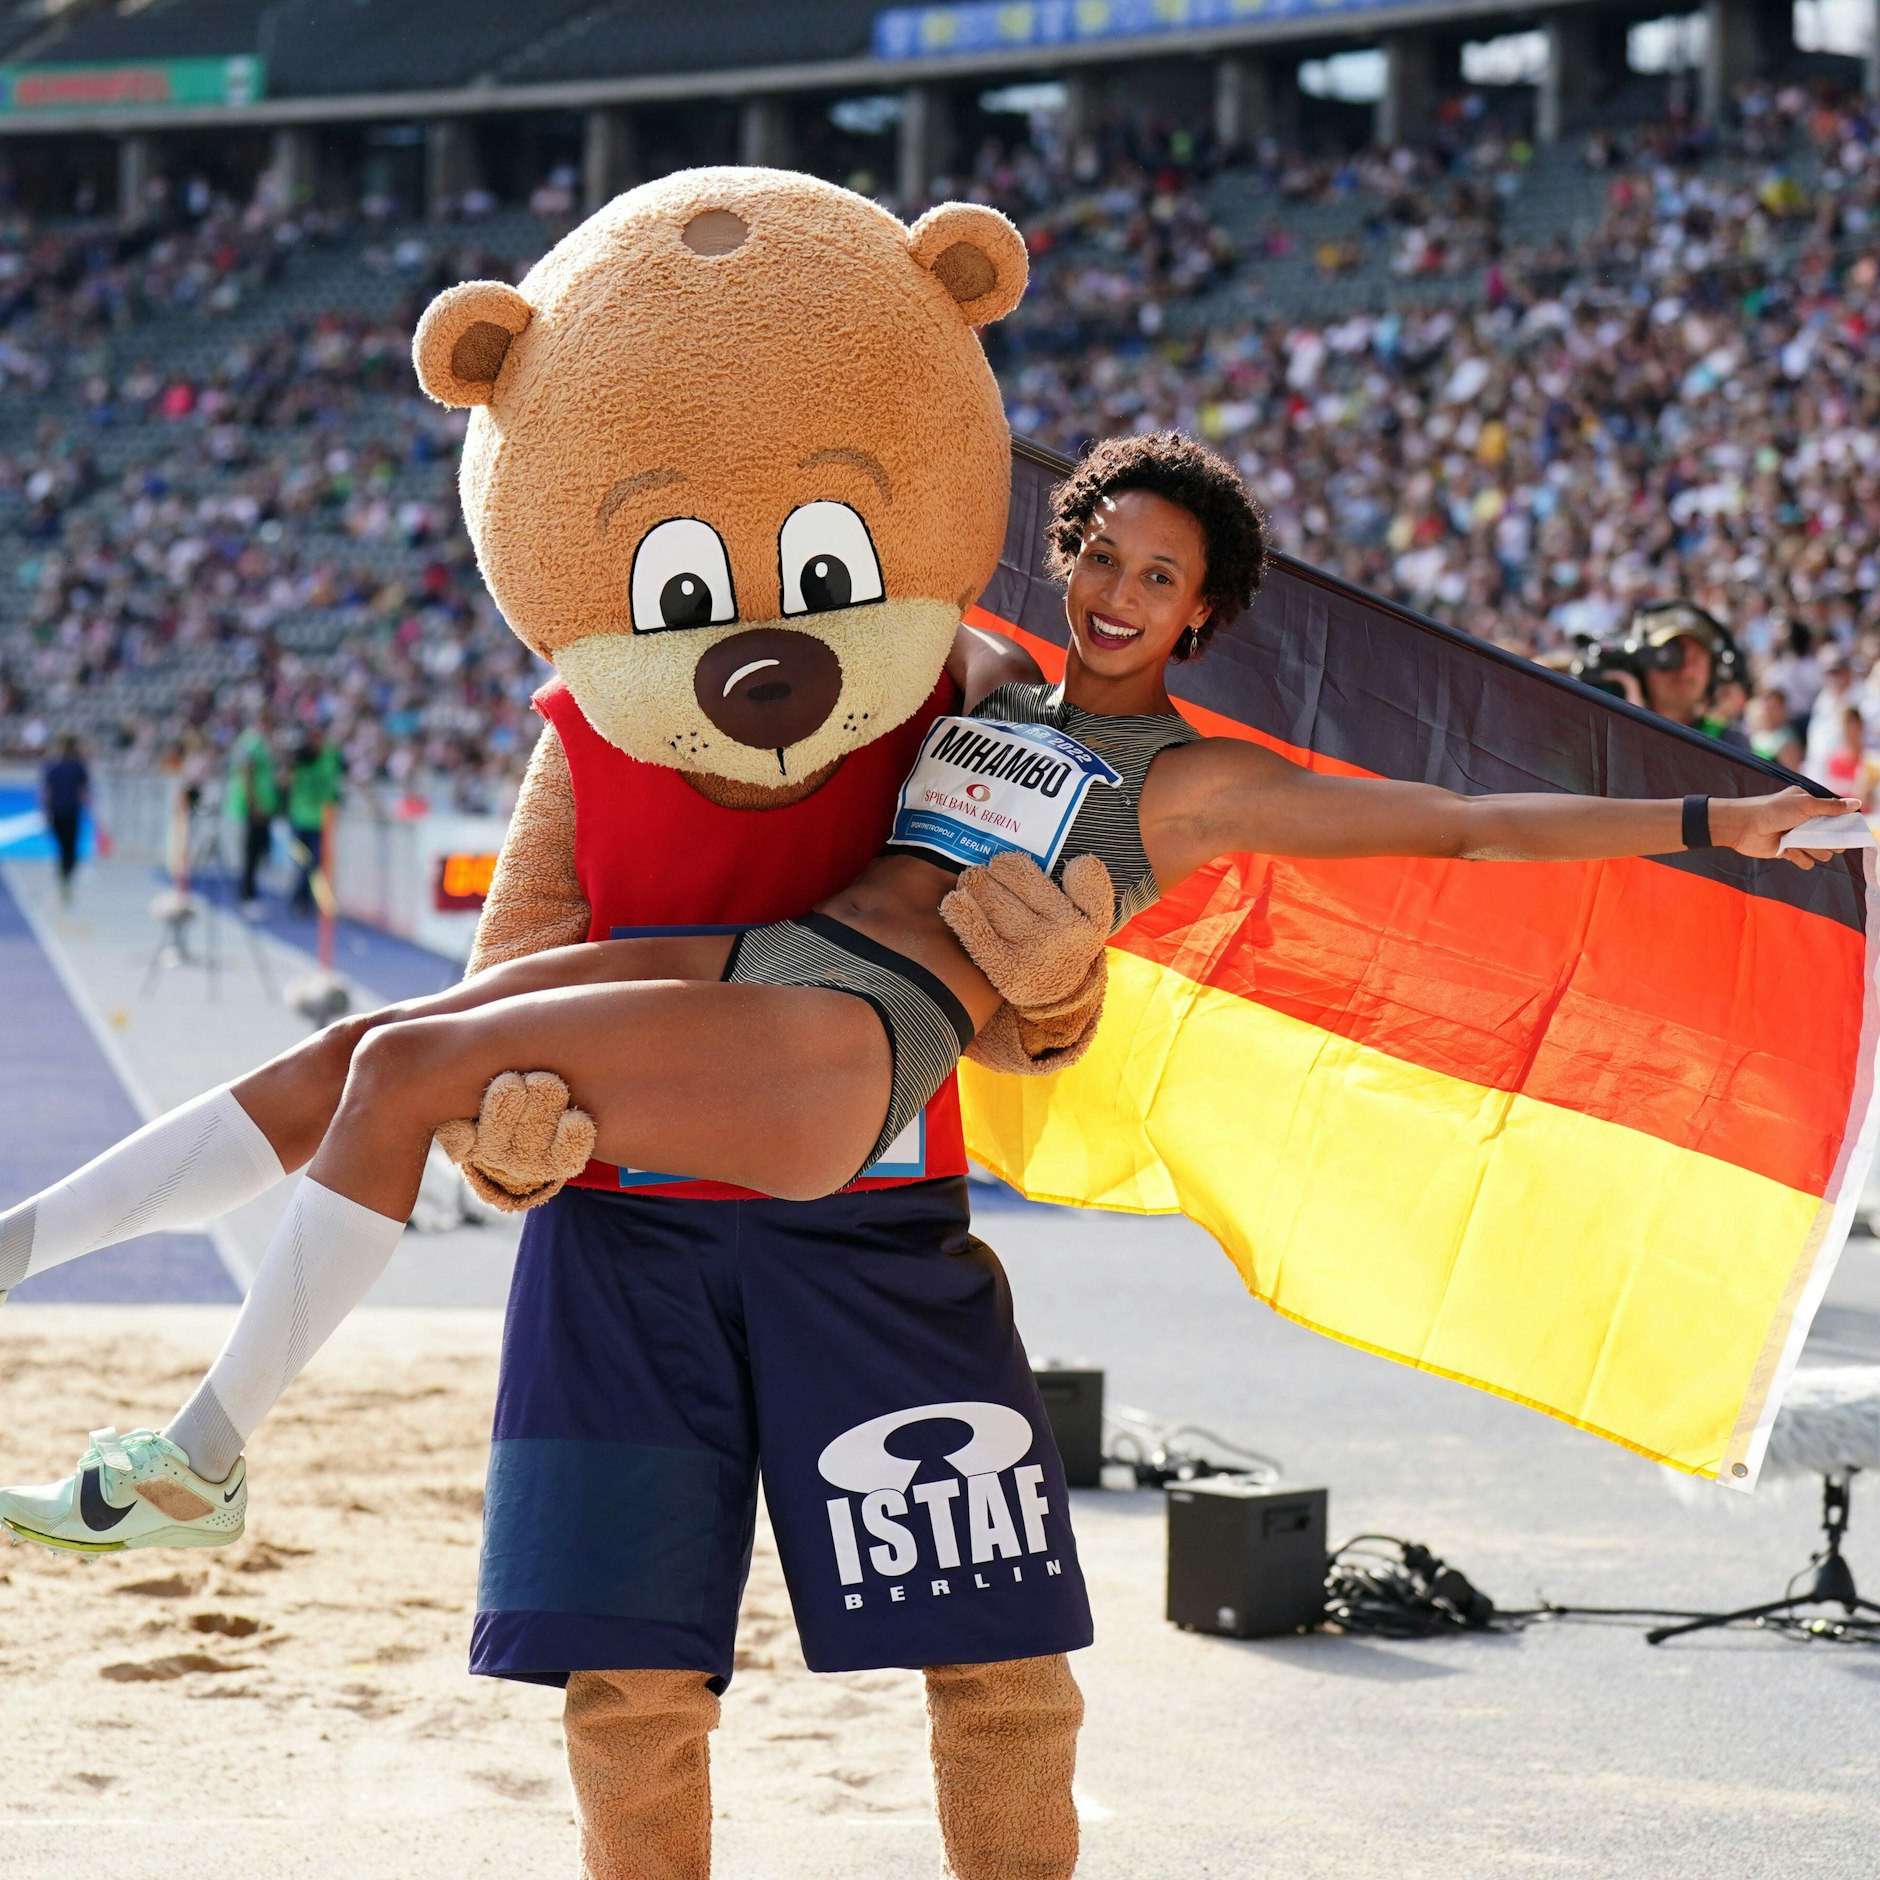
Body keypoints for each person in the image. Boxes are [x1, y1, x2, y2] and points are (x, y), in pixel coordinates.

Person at [1, 432, 1855, 1554]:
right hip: (772, 965)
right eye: (1106, 559)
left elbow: (1458, 828)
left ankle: (203, 1464)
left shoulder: (1194, 778)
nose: (1124, 594)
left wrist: (1719, 817)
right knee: (364, 1053)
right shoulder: (977, 679)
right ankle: (21, 1248)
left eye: (1163, 579)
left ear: (1205, 615)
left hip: (848, 1047)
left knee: (408, 1066)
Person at [284, 733, 344, 918]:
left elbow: (342, 778)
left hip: (320, 821)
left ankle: (308, 899)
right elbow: (285, 781)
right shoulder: (298, 760)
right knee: (305, 863)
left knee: (317, 863)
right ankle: (301, 899)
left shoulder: (330, 756)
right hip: (299, 820)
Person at [227, 724, 279, 912]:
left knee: (259, 850)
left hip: (261, 805)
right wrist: (254, 805)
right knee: (252, 852)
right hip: (254, 807)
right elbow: (247, 774)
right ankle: (247, 895)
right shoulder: (252, 743)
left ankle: (250, 893)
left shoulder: (257, 742)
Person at [38, 734, 89, 906]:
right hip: (64, 812)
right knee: (67, 848)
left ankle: (65, 878)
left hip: (66, 812)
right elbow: (47, 792)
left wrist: (45, 812)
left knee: (67, 849)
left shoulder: (76, 767)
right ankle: (65, 878)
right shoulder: (55, 767)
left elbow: (82, 792)